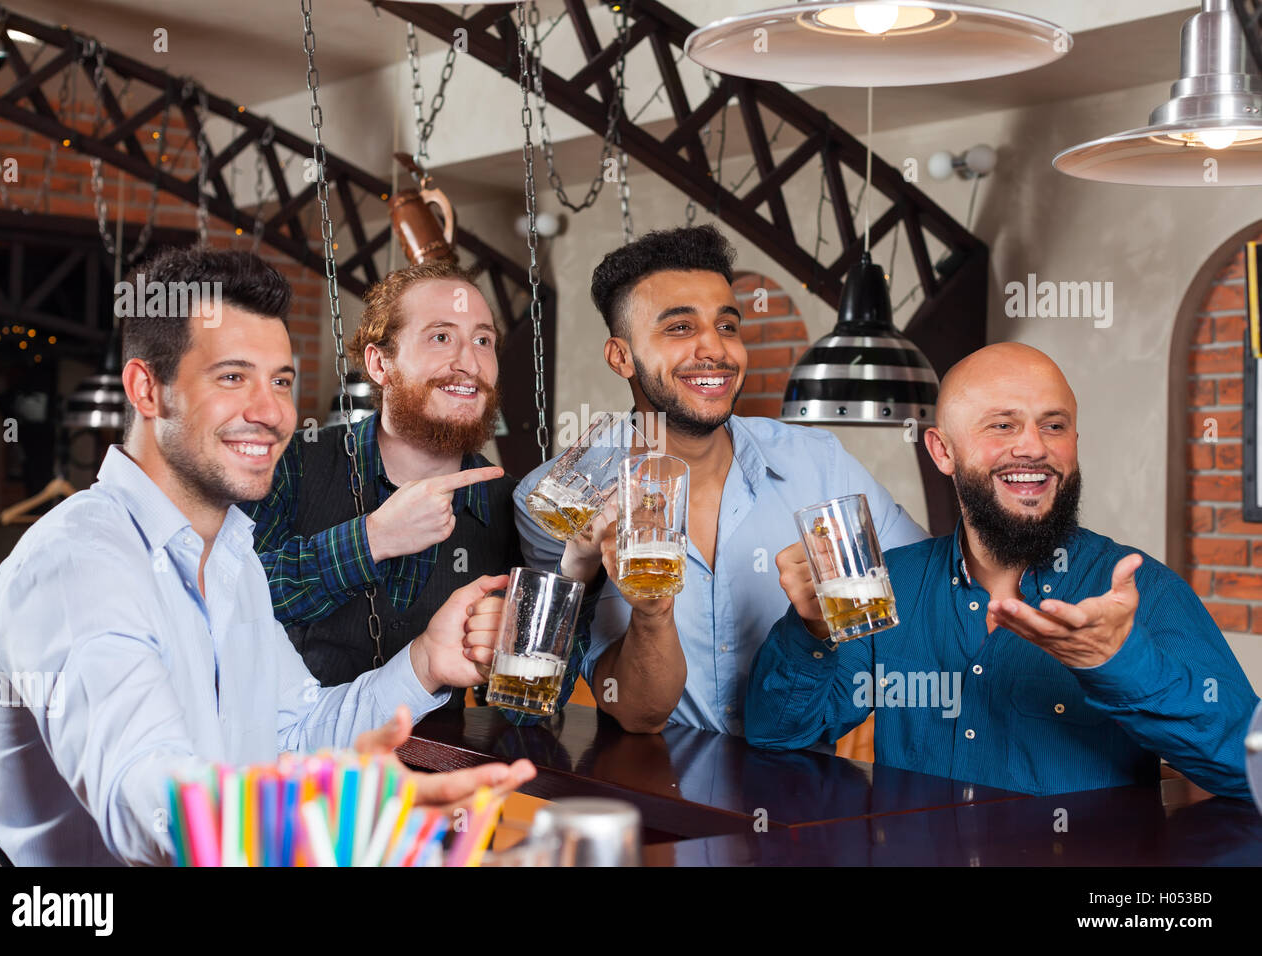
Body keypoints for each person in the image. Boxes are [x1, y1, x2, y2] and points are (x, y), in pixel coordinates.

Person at [0, 247, 534, 866]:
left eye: (282, 381)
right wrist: (337, 826)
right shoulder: (79, 562)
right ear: (146, 390)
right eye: (232, 376)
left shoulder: (231, 564)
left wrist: (425, 661)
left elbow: (293, 734)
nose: (271, 413)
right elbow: (144, 796)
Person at [746, 342, 1260, 798]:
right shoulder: (892, 585)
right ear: (942, 451)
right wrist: (813, 630)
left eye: (1053, 426)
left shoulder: (1139, 587)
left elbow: (1247, 768)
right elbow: (779, 735)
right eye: (1003, 425)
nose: (1034, 446)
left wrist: (1119, 663)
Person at [514, 225, 927, 735]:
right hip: (652, 792)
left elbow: (927, 589)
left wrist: (825, 645)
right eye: (680, 328)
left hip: (804, 793)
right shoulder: (559, 502)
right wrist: (651, 612)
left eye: (727, 326)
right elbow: (635, 711)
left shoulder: (820, 464)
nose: (715, 349)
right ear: (621, 356)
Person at [241, 259, 525, 699]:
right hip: (291, 759)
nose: (468, 362)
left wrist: (513, 644)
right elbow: (231, 602)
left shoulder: (513, 506)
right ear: (379, 363)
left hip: (437, 766)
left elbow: (528, 709)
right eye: (441, 337)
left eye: (483, 340)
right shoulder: (291, 461)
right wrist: (371, 539)